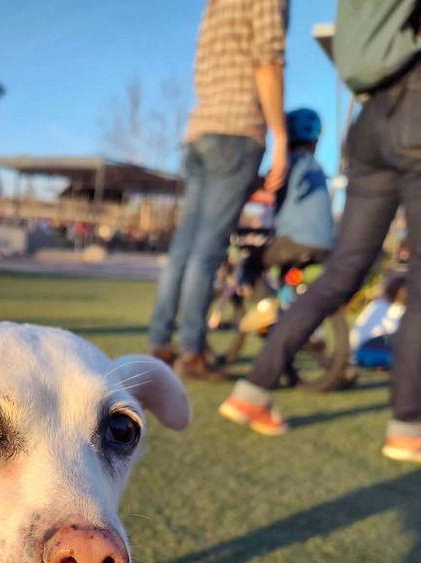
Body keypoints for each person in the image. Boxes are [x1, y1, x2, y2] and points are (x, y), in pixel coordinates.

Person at [220, 0, 421, 462]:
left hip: (369, 120)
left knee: (340, 274)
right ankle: (407, 427)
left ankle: (253, 390)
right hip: (414, 105)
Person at [147, 0, 289, 381]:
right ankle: (192, 351)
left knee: (184, 246)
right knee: (207, 249)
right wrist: (280, 136)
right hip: (237, 131)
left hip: (200, 130)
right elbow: (268, 63)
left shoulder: (215, 5)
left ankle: (160, 343)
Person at [239, 108, 334, 293]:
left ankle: (252, 299)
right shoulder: (316, 166)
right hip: (326, 245)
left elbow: (265, 189)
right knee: (288, 277)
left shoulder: (288, 163)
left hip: (295, 242)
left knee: (253, 261)